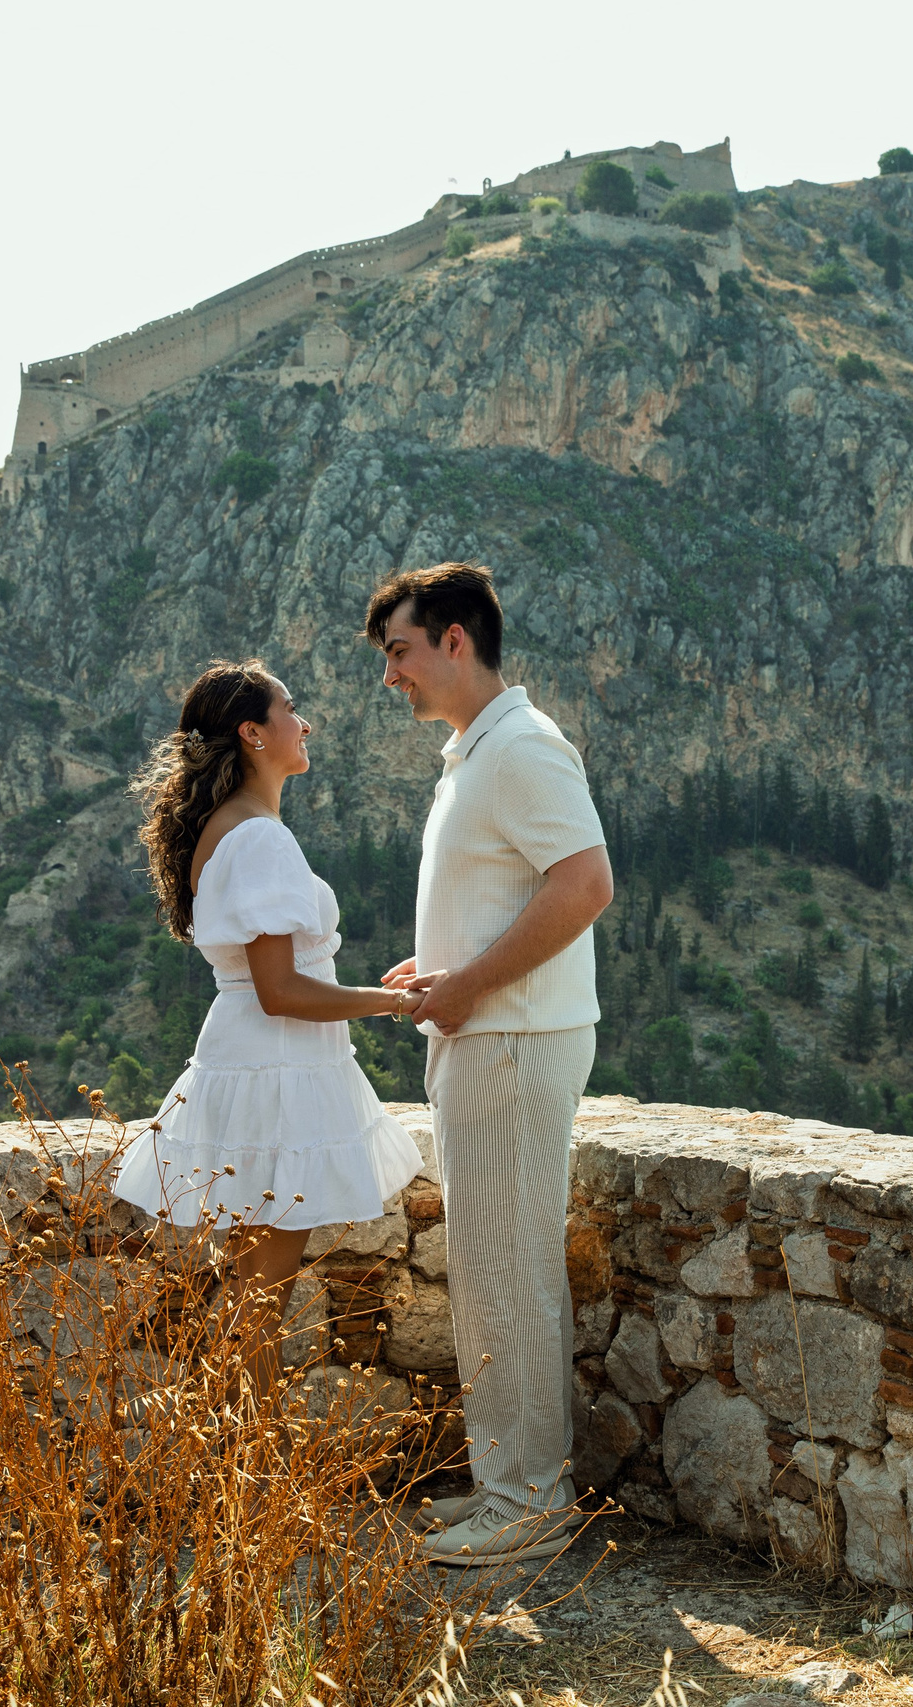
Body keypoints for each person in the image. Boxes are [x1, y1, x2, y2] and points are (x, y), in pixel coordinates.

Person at [366, 563, 615, 1567]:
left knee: (508, 1272)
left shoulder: (521, 747)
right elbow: (511, 893)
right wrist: (446, 969)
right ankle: (511, 1484)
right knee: (491, 1268)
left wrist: (469, 985)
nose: (391, 675)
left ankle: (528, 1504)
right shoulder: (480, 752)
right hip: (491, 1038)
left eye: (400, 651)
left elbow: (585, 884)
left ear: (455, 640)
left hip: (512, 1042)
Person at [114, 658, 427, 1396]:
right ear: (253, 733)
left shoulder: (227, 829)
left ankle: (233, 1452)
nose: (305, 723)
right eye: (291, 709)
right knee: (262, 1304)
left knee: (251, 1297)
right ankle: (251, 1458)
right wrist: (394, 1003)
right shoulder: (259, 838)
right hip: (277, 1071)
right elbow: (280, 990)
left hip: (252, 1061)